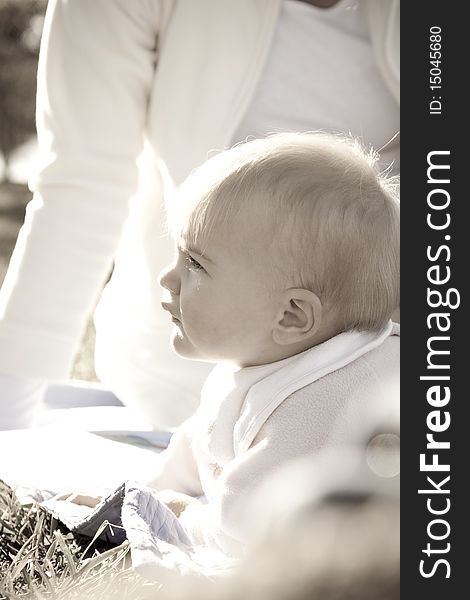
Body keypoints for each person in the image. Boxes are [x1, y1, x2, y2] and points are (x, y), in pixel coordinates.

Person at [0, 0, 400, 430]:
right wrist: (10, 409)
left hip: (377, 403)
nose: (167, 278)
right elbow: (82, 182)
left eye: (192, 262)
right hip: (170, 389)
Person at [64, 133, 399, 556]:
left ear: (292, 315)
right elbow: (199, 442)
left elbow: (243, 538)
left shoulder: (323, 403)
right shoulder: (277, 357)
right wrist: (139, 491)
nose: (168, 279)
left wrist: (172, 511)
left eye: (196, 264)